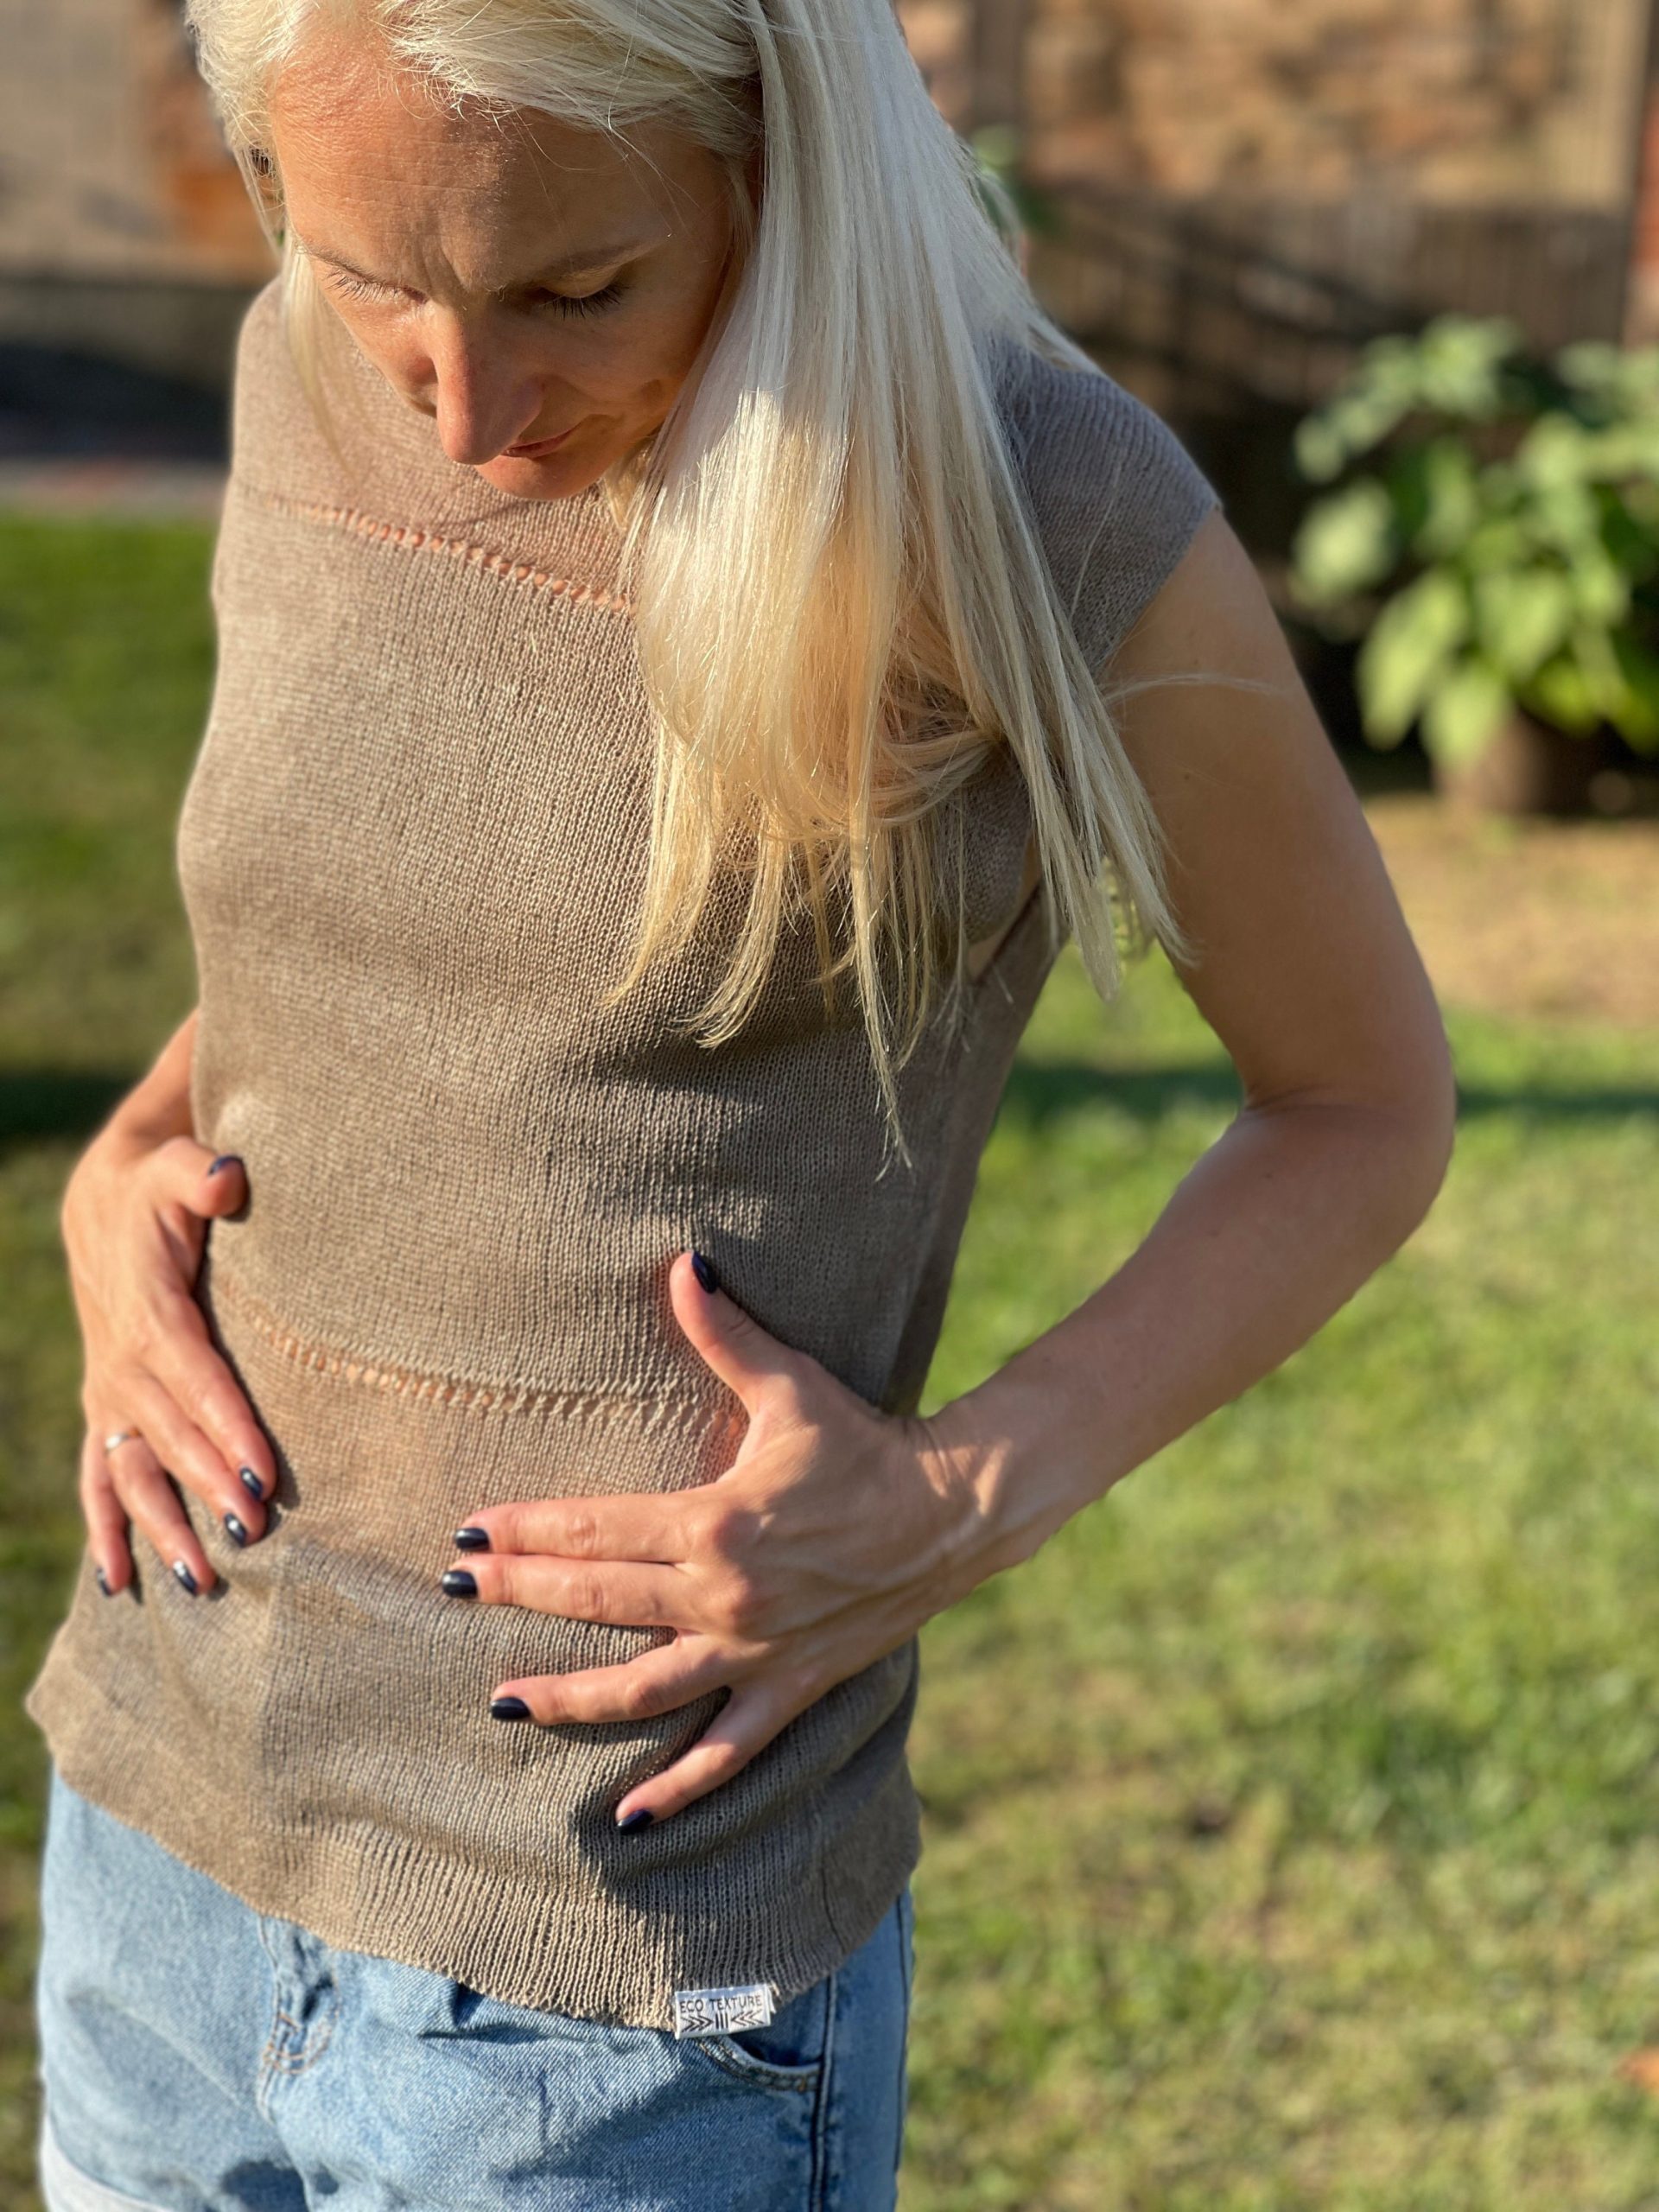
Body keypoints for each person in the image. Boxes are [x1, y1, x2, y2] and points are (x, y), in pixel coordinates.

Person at [22, 1, 1458, 2207]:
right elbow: (346, 921)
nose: (468, 406)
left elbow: (1361, 1100)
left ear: (773, 159)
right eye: (377, 275)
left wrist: (964, 1492)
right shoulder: (284, 372)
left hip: (600, 1975)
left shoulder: (1036, 505)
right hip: (159, 1825)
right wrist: (128, 1161)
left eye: (573, 290)